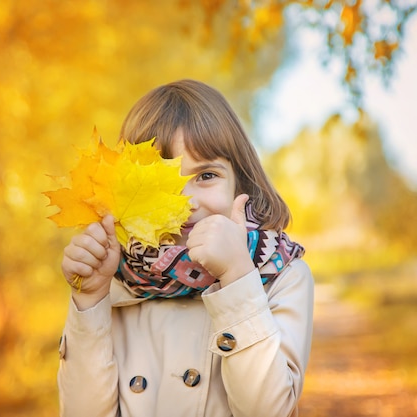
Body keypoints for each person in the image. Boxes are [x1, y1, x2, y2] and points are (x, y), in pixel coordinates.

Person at [57, 79, 314, 417]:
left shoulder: (280, 275)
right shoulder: (116, 281)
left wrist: (238, 278)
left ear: (241, 181)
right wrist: (90, 301)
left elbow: (269, 411)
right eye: (163, 184)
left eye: (206, 176)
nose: (188, 203)